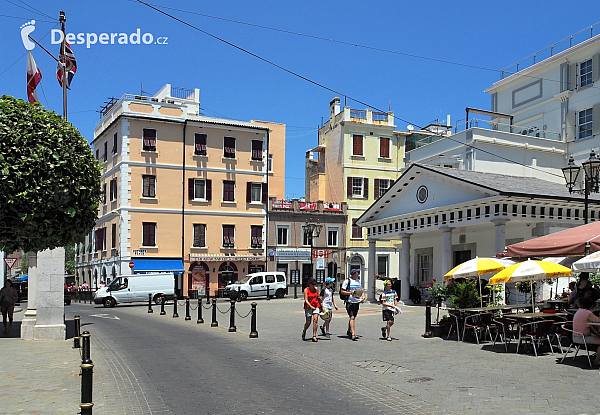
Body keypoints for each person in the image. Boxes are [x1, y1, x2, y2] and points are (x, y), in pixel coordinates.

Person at [572, 297, 600, 365]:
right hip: (582, 337)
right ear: (592, 306)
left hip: (576, 336)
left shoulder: (579, 311)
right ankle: (597, 361)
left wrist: (596, 333)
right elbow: (598, 320)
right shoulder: (587, 313)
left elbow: (588, 325)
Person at [341, 269, 365, 341]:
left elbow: (361, 290)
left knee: (353, 317)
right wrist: (350, 293)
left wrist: (363, 296)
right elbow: (342, 291)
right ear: (354, 274)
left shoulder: (358, 281)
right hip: (349, 301)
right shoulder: (347, 281)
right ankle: (353, 334)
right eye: (357, 273)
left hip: (357, 301)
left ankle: (349, 331)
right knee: (352, 317)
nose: (358, 274)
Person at [302, 278, 321, 342]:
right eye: (313, 285)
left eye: (315, 284)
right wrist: (310, 306)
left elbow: (318, 297)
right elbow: (306, 300)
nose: (314, 286)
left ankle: (314, 336)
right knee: (308, 322)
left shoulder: (316, 289)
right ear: (309, 284)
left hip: (316, 306)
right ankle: (304, 330)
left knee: (315, 320)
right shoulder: (306, 290)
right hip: (308, 307)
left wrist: (322, 306)